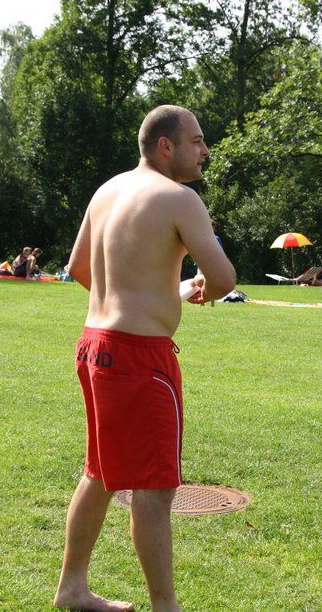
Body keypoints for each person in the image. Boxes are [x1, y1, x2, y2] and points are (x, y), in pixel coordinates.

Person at [54, 105, 235, 611]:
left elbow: (78, 268)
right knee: (154, 489)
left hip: (95, 346)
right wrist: (199, 287)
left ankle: (72, 588)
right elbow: (224, 279)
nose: (205, 151)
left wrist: (154, 293)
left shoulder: (107, 190)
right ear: (166, 146)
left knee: (99, 473)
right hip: (139, 358)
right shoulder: (180, 198)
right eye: (197, 141)